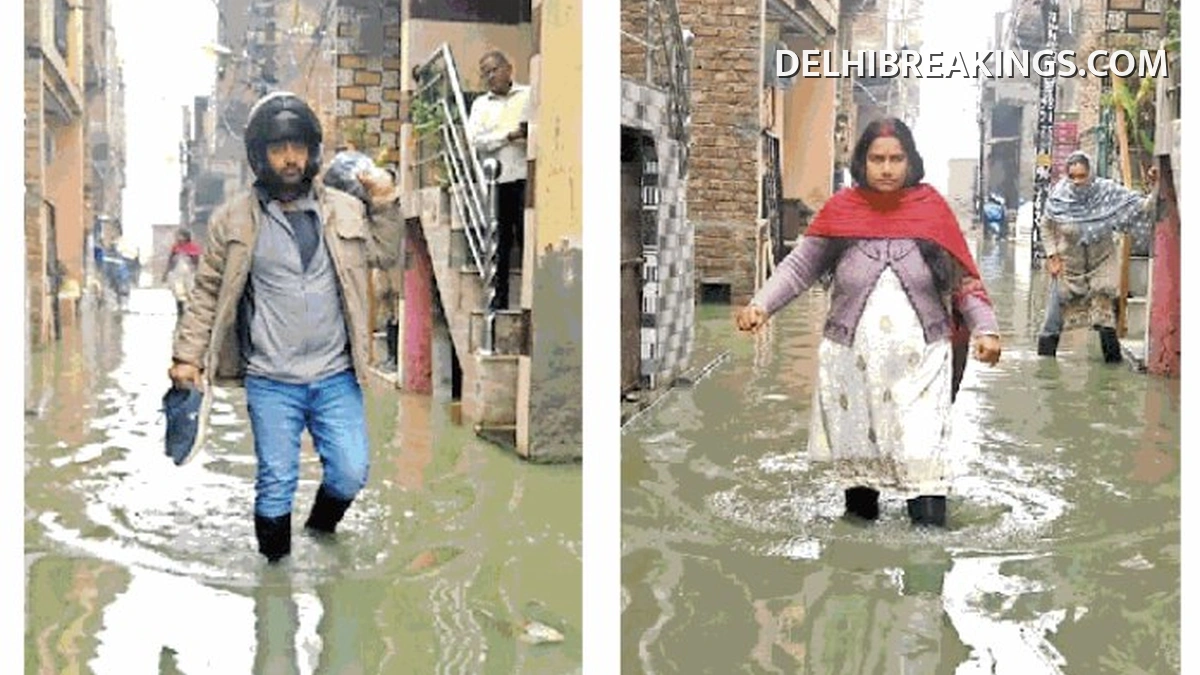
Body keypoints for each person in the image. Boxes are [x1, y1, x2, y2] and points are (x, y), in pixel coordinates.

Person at [167, 91, 403, 563]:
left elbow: (385, 252)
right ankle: (274, 584)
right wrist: (186, 357)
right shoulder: (233, 220)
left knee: (351, 473)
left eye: (298, 147)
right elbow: (207, 292)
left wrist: (384, 204)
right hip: (271, 379)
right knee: (276, 482)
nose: (290, 158)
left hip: (336, 375)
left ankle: (319, 535)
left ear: (313, 151)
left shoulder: (346, 210)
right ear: (260, 156)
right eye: (279, 149)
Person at [735, 118, 1002, 528]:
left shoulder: (932, 211)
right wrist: (761, 305)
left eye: (896, 159)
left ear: (911, 162)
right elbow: (799, 267)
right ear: (862, 162)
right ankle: (857, 559)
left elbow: (965, 282)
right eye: (878, 159)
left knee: (925, 469)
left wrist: (986, 330)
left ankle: (928, 563)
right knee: (860, 491)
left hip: (922, 369)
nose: (887, 168)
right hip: (852, 368)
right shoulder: (842, 211)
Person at [1036, 151, 1158, 362]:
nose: (1077, 182)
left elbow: (1142, 207)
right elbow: (1046, 225)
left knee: (1104, 319)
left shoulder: (1107, 192)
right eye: (1072, 176)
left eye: (1082, 176)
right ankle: (1044, 370)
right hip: (1068, 267)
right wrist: (1052, 255)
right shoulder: (1059, 195)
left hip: (1101, 263)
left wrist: (1155, 187)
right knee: (1052, 322)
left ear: (1091, 174)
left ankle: (1111, 372)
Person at [466, 50, 532, 311]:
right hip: (497, 181)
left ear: (509, 68)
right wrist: (508, 136)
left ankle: (530, 297)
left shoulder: (528, 95)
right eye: (486, 73)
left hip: (526, 177)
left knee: (527, 237)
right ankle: (499, 299)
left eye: (495, 69)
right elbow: (476, 141)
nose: (491, 76)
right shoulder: (481, 105)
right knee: (500, 242)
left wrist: (523, 134)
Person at [163, 228, 202, 320]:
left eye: (181, 236)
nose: (179, 238)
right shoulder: (175, 247)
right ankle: (180, 311)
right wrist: (166, 273)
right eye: (178, 236)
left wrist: (198, 273)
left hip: (190, 274)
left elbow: (197, 262)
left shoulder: (193, 248)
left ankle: (191, 312)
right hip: (177, 274)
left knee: (190, 292)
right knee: (178, 293)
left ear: (186, 237)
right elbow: (170, 260)